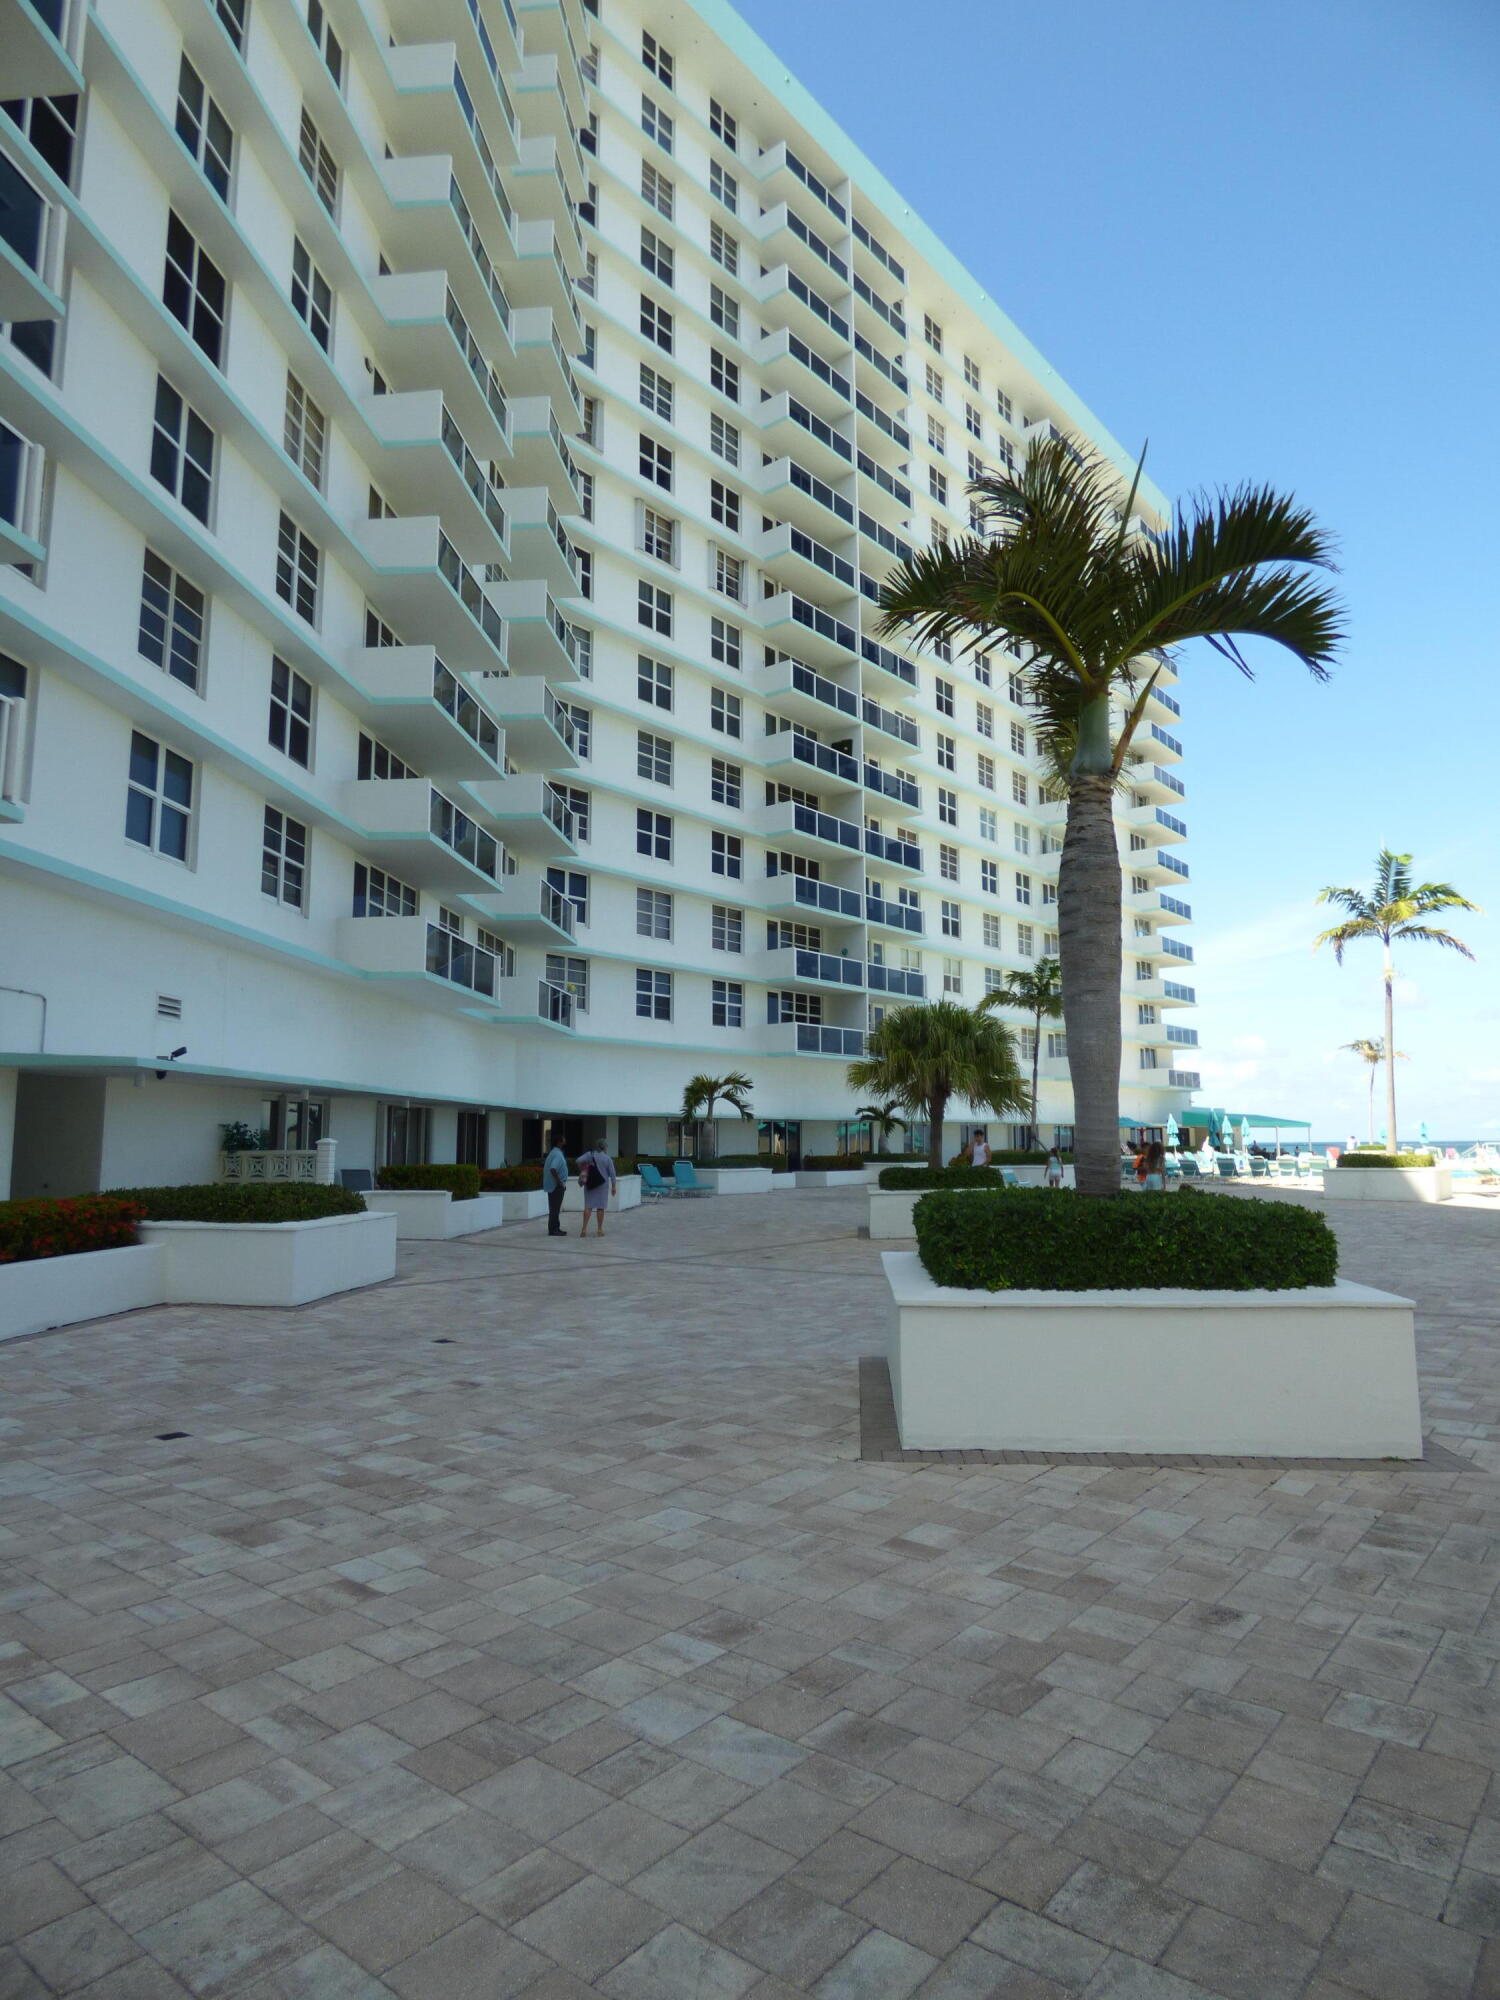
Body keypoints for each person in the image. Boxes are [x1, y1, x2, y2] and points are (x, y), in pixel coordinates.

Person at [575, 1137, 617, 1238]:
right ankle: (599, 1229)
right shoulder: (607, 1159)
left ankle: (584, 1229)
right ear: (605, 1147)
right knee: (600, 1208)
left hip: (590, 1184)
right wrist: (614, 1186)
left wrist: (583, 1168)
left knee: (588, 1206)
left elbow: (578, 1160)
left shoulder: (590, 1154)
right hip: (602, 1186)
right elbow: (612, 1174)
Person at [542, 1137, 569, 1236]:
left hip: (553, 1186)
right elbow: (553, 1169)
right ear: (559, 1142)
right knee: (555, 1209)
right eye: (563, 1139)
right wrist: (559, 1182)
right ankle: (554, 1229)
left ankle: (555, 1228)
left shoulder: (554, 1152)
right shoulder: (557, 1154)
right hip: (556, 1186)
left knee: (554, 1208)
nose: (565, 1141)